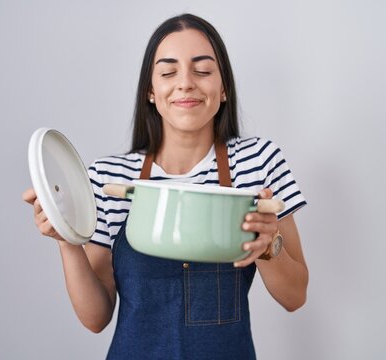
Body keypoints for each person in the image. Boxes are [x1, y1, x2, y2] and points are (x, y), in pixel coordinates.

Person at [23, 13, 308, 359]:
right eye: (169, 72)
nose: (185, 83)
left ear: (224, 90)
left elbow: (295, 297)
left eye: (202, 71)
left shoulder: (258, 163)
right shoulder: (109, 178)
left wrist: (268, 247)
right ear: (151, 92)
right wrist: (67, 240)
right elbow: (96, 317)